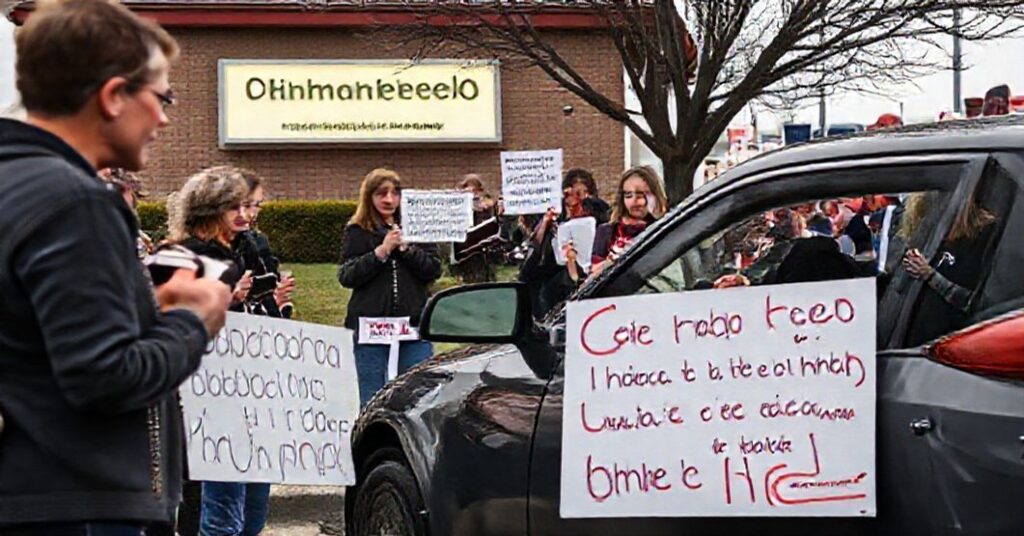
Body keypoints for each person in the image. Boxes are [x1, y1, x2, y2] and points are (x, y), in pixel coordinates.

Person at [0, 1, 231, 533]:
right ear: (112, 96)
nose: (164, 119)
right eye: (162, 97)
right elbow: (104, 376)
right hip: (77, 505)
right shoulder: (75, 202)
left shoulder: (17, 184)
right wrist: (193, 321)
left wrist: (148, 311)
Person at [338, 168, 441, 408]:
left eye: (395, 193)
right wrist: (381, 252)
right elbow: (347, 275)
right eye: (381, 193)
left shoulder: (417, 228)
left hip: (413, 327)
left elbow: (433, 270)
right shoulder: (357, 230)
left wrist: (407, 250)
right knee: (372, 398)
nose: (389, 200)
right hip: (370, 329)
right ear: (369, 197)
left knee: (417, 395)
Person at [901, 192, 999, 346]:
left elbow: (976, 302)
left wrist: (930, 276)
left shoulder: (984, 236)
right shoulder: (933, 238)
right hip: (919, 339)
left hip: (952, 340)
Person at [590, 166, 668, 276]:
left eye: (642, 195)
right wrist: (613, 261)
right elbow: (594, 274)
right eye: (628, 195)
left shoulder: (661, 230)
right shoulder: (606, 232)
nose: (634, 201)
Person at [450, 173, 500, 283]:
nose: (473, 194)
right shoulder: (460, 205)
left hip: (484, 250)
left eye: (475, 190)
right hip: (466, 252)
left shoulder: (486, 204)